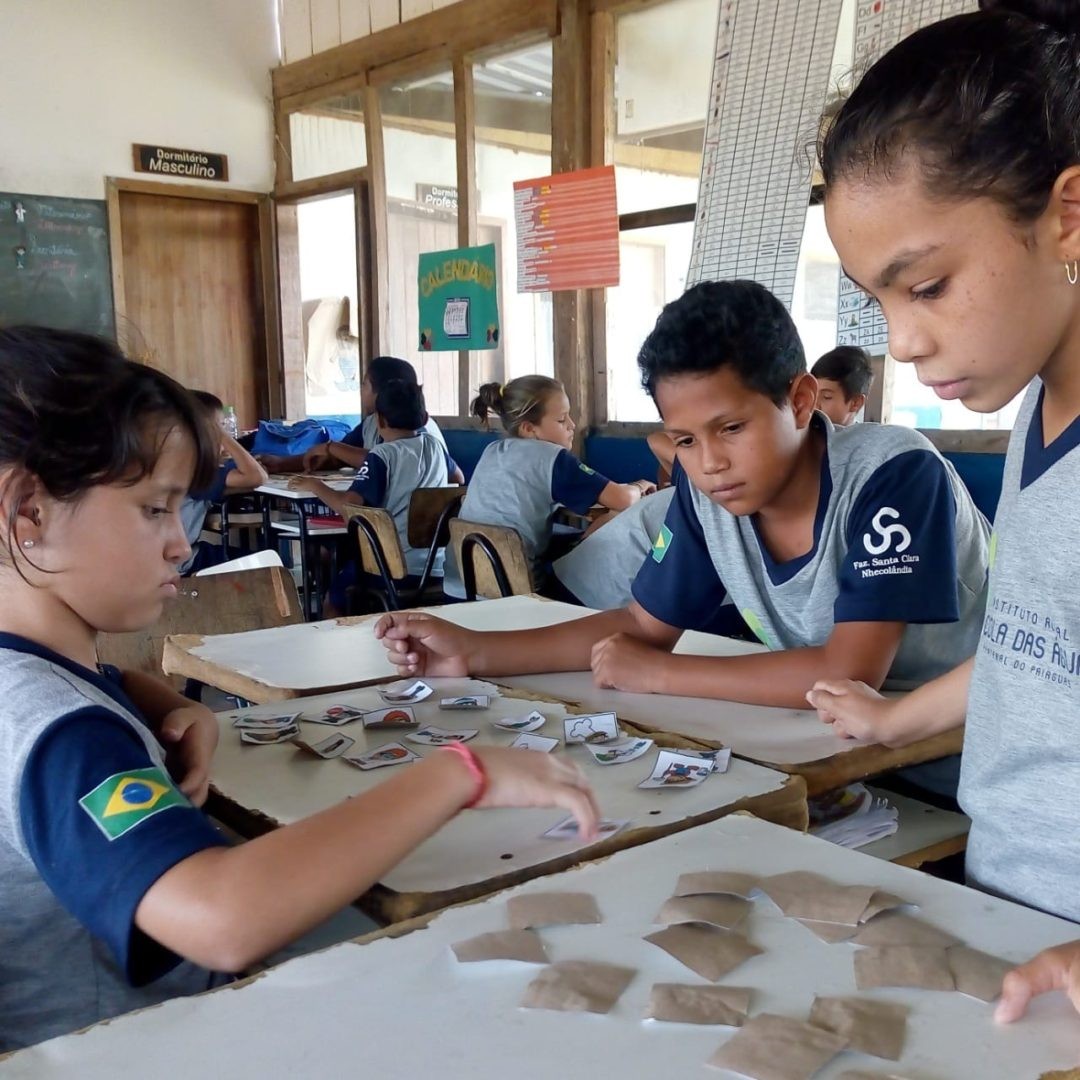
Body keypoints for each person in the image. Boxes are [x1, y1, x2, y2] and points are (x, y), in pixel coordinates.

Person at [0, 327, 599, 1051]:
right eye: (154, 509)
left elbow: (91, 683)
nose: (181, 543)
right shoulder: (62, 734)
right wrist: (461, 774)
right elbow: (223, 918)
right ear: (29, 512)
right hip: (139, 1043)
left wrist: (175, 705)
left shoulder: (34, 677)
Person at [802, 0, 1080, 1023]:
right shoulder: (1038, 407)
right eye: (877, 301)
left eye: (925, 285)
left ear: (1067, 214)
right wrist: (893, 719)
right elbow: (1037, 652)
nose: (904, 341)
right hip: (1015, 917)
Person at [377, 279, 990, 712]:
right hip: (836, 747)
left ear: (801, 401)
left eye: (732, 428)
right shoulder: (709, 495)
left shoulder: (894, 474)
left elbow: (849, 673)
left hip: (950, 766)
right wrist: (474, 651)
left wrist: (664, 673)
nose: (710, 463)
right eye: (685, 440)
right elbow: (641, 625)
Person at [441, 376, 656, 598]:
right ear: (528, 428)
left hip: (459, 589)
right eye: (562, 420)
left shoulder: (493, 450)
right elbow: (623, 499)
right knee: (612, 517)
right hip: (519, 594)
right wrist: (639, 485)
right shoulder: (553, 459)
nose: (572, 425)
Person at [292, 380, 455, 614]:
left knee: (331, 602)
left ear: (379, 420)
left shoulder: (382, 455)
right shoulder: (435, 446)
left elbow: (350, 506)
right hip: (436, 567)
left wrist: (315, 485)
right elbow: (457, 476)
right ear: (425, 418)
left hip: (390, 567)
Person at [259, 356, 465, 484]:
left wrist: (332, 448)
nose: (361, 390)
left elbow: (454, 476)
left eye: (365, 384)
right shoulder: (372, 423)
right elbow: (343, 454)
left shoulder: (417, 428)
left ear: (385, 392)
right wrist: (282, 464)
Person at [178, 391, 268, 576]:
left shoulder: (177, 463)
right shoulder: (197, 471)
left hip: (176, 558)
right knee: (267, 565)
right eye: (220, 425)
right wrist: (223, 436)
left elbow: (249, 479)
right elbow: (256, 477)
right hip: (184, 563)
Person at [811, 346, 874, 428]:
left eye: (826, 397)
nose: (814, 406)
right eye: (812, 395)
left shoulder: (868, 436)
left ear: (856, 402)